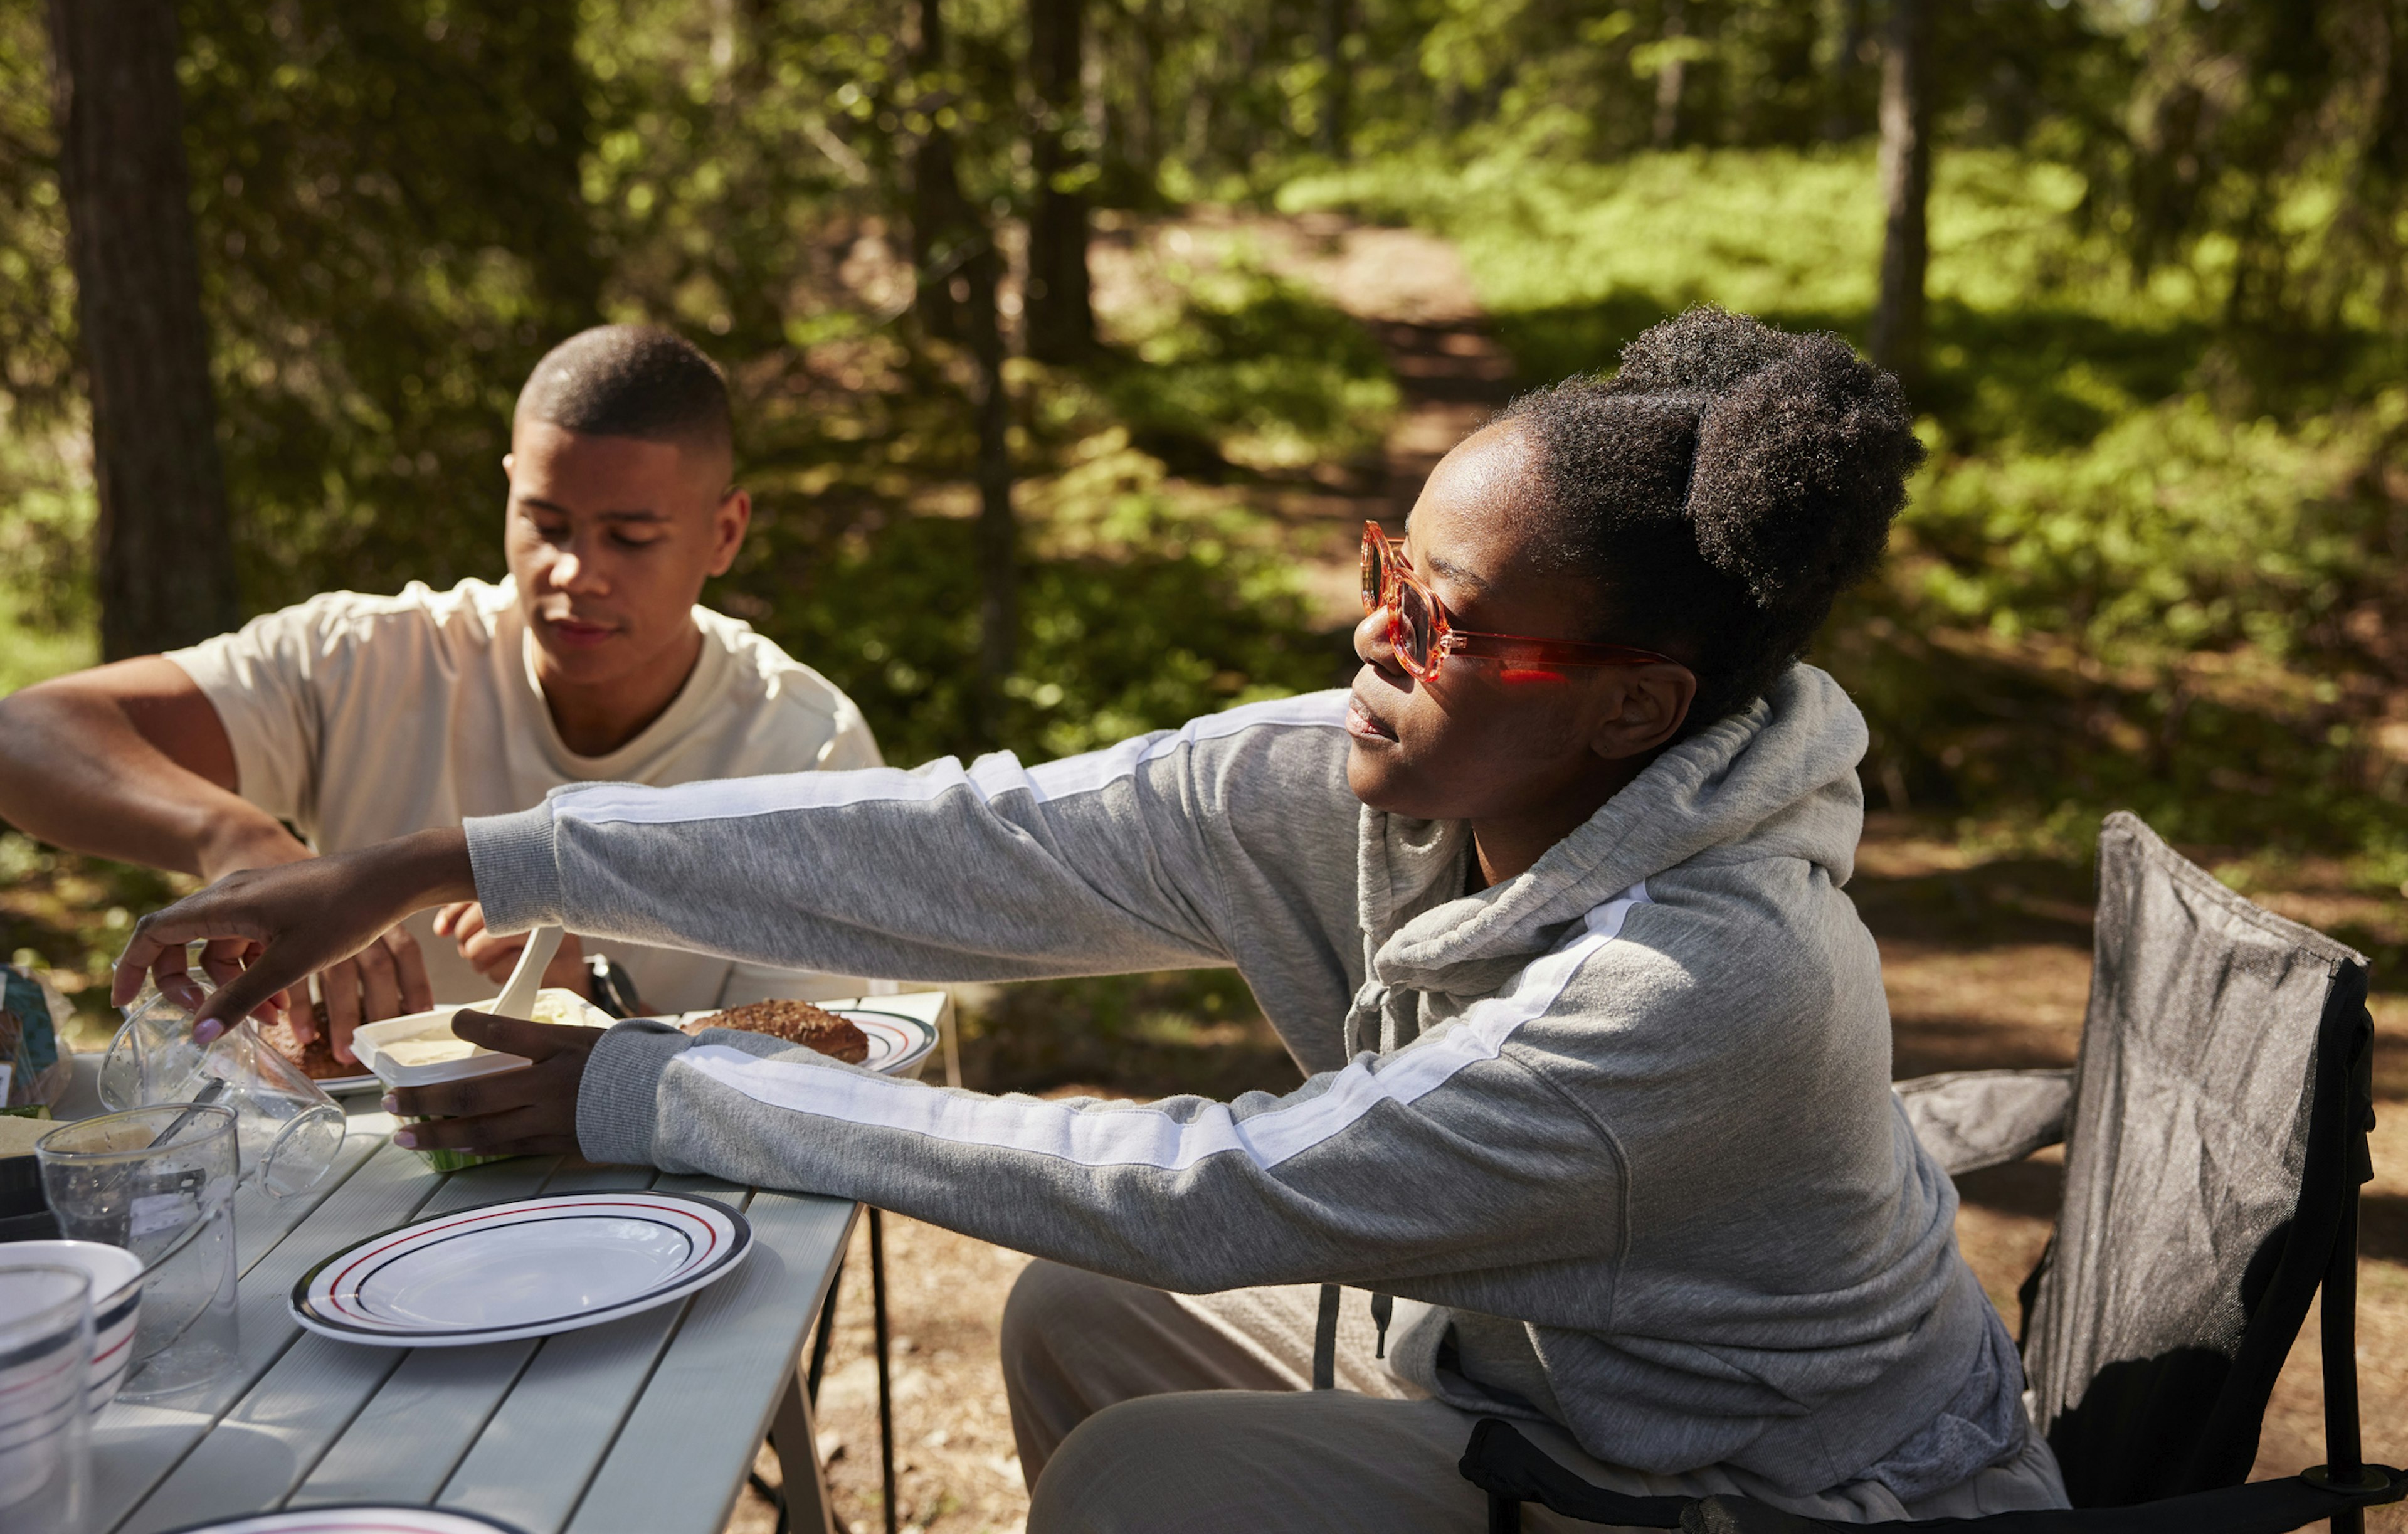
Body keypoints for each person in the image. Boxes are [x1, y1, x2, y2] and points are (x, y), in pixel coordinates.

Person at [118, 308, 2069, 1528]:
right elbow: (969, 844)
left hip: (1758, 1490)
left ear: (1636, 707)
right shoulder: (1375, 773)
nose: (1369, 641)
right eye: (1390, 572)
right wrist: (445, 853)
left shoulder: (1707, 983)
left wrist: (658, 1088)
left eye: (1447, 627)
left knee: (1154, 1465)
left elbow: (1213, 1186)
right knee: (1082, 1323)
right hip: (1523, 1378)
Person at [3, 325, 880, 1063]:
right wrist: (243, 842)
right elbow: (28, 733)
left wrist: (595, 1009)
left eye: (632, 536)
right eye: (545, 523)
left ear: (724, 531)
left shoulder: (805, 748)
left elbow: (814, 1066)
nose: (576, 572)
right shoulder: (366, 658)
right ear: (508, 492)